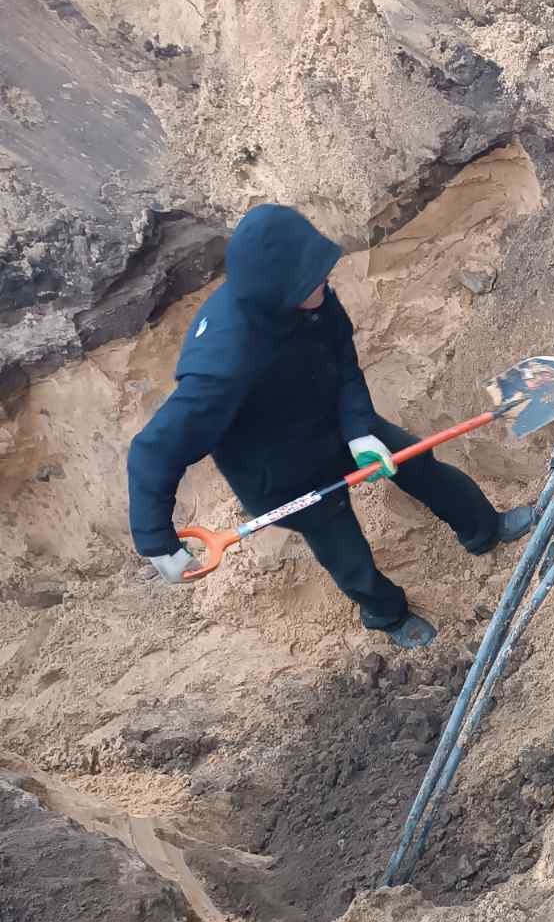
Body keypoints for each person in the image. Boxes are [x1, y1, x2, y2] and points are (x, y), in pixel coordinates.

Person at [126, 203, 532, 648]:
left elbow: (342, 361)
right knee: (343, 547)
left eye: (318, 271)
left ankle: (483, 529)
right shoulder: (222, 365)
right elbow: (154, 451)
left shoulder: (310, 298)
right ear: (277, 290)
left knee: (418, 462)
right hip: (281, 472)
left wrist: (358, 431)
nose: (323, 280)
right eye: (310, 278)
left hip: (331, 423)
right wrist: (157, 541)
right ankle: (386, 614)